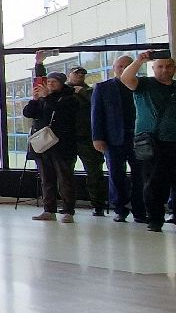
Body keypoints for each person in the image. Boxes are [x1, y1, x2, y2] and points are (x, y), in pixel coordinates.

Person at [119, 51, 176, 233]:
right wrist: (139, 60)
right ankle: (155, 219)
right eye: (160, 66)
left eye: (168, 66)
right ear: (153, 68)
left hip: (173, 141)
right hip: (150, 142)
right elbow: (126, 77)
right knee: (153, 182)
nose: (165, 70)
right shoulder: (144, 84)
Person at [91, 55, 145, 223]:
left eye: (127, 66)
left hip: (140, 138)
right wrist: (97, 138)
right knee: (116, 175)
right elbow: (96, 114)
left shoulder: (141, 85)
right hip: (112, 139)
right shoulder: (102, 87)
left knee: (141, 176)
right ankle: (120, 209)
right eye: (119, 66)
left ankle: (140, 210)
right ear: (113, 68)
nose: (123, 69)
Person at [24, 71, 80, 222]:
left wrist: (46, 98)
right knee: (46, 178)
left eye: (54, 82)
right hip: (43, 145)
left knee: (65, 178)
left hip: (63, 145)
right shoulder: (43, 98)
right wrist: (35, 100)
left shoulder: (69, 98)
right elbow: (28, 113)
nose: (50, 85)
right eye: (48, 82)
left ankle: (68, 210)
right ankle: (49, 209)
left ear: (62, 83)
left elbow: (60, 112)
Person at [66, 67, 108, 215]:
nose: (79, 76)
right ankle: (67, 205)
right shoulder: (62, 92)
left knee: (94, 173)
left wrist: (82, 92)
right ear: (69, 75)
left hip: (87, 139)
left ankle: (98, 205)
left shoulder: (92, 91)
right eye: (76, 73)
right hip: (67, 139)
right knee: (64, 174)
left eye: (82, 74)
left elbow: (99, 107)